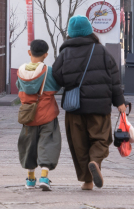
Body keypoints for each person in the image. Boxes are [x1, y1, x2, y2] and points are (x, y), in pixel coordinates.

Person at [51, 15, 127, 190]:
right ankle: (95, 160)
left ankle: (87, 181)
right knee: (101, 138)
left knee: (79, 143)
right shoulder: (101, 51)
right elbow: (114, 78)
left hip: (74, 106)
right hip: (99, 106)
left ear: (70, 33)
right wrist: (119, 102)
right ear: (89, 31)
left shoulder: (65, 53)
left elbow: (57, 77)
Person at [16, 38, 61, 190]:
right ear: (46, 55)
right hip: (47, 114)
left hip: (28, 116)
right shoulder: (48, 71)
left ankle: (30, 179)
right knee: (48, 143)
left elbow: (18, 87)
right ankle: (44, 177)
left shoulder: (21, 71)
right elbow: (56, 86)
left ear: (30, 52)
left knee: (29, 145)